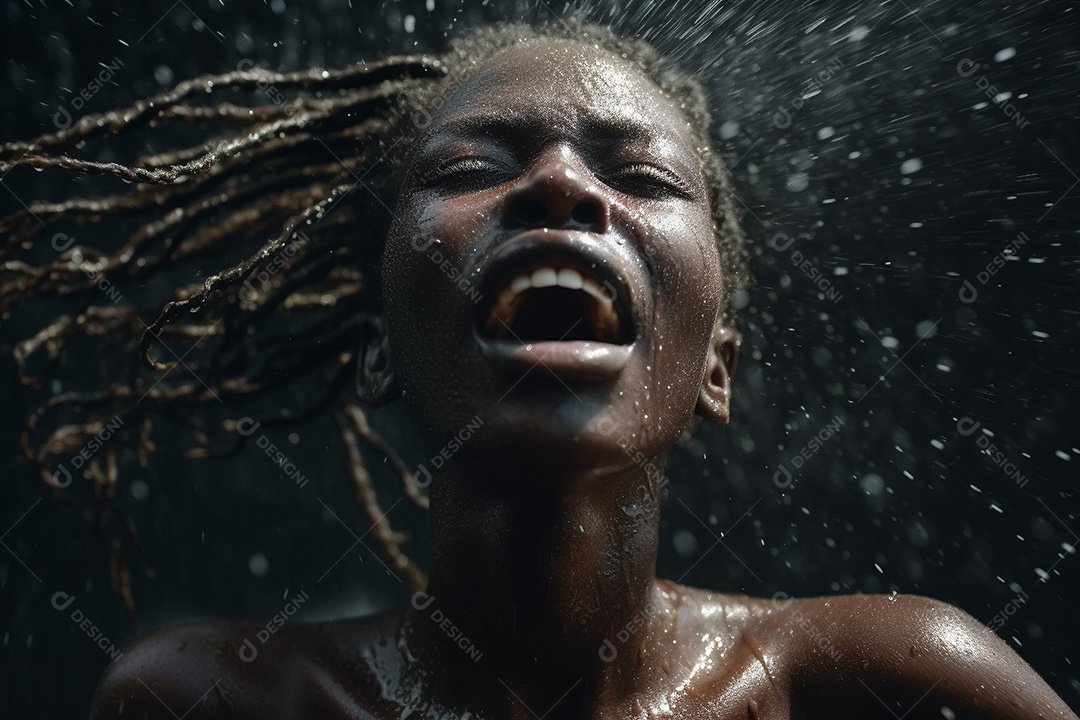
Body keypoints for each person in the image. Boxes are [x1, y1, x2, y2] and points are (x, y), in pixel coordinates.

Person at [2, 18, 1075, 720]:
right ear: (381, 349)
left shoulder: (885, 685)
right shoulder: (213, 701)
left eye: (643, 176)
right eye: (473, 167)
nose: (563, 186)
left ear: (714, 367)